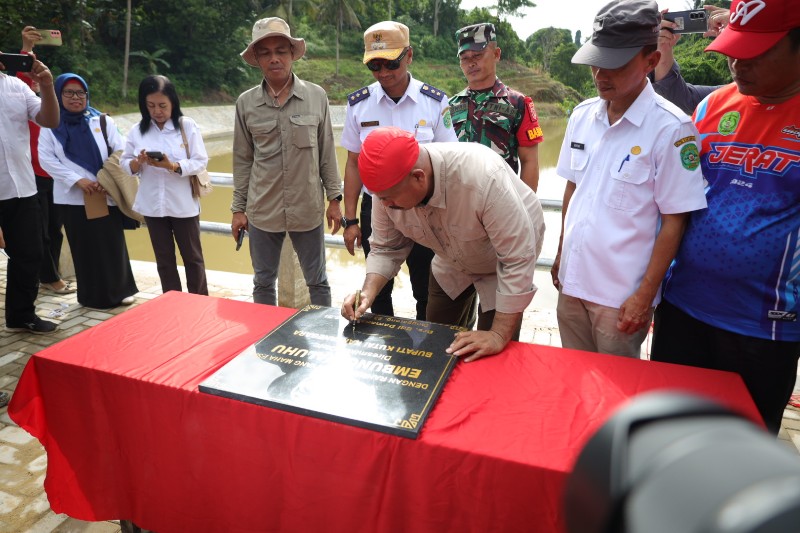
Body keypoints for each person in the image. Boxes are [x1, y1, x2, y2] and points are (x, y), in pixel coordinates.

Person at [651, 0, 800, 435]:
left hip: (765, 329)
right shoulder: (712, 106)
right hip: (683, 311)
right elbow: (677, 196)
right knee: (669, 435)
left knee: (743, 453)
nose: (737, 63)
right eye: (734, 49)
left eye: (755, 53)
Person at [550, 0, 707, 358]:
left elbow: (674, 221)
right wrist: (561, 254)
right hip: (571, 286)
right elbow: (573, 188)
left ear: (651, 61)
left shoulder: (672, 128)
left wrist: (642, 296)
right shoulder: (582, 116)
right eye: (596, 63)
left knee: (615, 395)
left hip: (619, 299)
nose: (601, 76)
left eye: (615, 65)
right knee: (574, 384)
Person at [341, 127, 545, 363]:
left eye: (388, 198)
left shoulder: (482, 176)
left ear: (419, 177)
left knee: (491, 355)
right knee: (436, 341)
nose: (385, 206)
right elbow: (386, 248)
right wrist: (367, 293)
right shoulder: (386, 190)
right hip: (450, 259)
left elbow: (516, 258)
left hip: (500, 264)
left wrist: (498, 335)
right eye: (380, 198)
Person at [340, 21, 456, 320]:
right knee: (378, 288)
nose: (383, 73)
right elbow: (353, 164)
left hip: (425, 209)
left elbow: (449, 160)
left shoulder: (434, 102)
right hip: (376, 207)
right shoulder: (358, 105)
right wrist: (350, 219)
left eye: (391, 63)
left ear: (409, 56)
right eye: (374, 66)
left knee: (425, 288)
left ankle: (425, 354)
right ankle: (385, 352)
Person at [232, 17, 341, 306]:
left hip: (307, 207)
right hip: (262, 208)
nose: (274, 58)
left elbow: (327, 151)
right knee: (263, 282)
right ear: (256, 58)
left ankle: (321, 340)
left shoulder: (316, 97)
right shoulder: (246, 103)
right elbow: (243, 160)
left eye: (281, 50)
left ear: (292, 54)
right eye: (265, 53)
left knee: (317, 280)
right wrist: (238, 209)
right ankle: (264, 342)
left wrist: (335, 198)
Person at [38, 73, 139, 310]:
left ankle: (121, 289)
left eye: (80, 93)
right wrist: (77, 180)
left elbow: (121, 150)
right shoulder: (51, 126)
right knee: (84, 246)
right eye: (69, 93)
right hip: (73, 197)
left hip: (105, 193)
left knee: (111, 242)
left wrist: (105, 178)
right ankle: (91, 296)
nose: (76, 98)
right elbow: (46, 160)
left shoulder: (101, 121)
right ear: (58, 95)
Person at [121, 75, 209, 295]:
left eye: (162, 105)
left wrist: (173, 165)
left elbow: (200, 161)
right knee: (164, 260)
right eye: (151, 106)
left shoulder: (186, 126)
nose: (157, 111)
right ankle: (172, 305)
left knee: (193, 258)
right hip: (153, 206)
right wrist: (137, 162)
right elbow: (124, 163)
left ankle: (199, 303)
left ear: (173, 103)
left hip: (183, 204)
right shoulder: (137, 130)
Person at [0, 50, 59, 334]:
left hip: (22, 189)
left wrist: (47, 86)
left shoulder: (16, 86)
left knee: (30, 254)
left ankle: (21, 315)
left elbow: (49, 120)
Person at [449, 22, 544, 191]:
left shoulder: (518, 104)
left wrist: (525, 209)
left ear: (496, 54)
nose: (471, 63)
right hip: (459, 206)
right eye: (465, 58)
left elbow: (530, 162)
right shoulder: (450, 106)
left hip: (501, 204)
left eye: (477, 55)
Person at [18, 26, 74, 294]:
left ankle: (49, 275)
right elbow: (21, 77)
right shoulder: (23, 104)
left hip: (56, 176)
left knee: (55, 228)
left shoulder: (53, 106)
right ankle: (51, 278)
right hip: (33, 174)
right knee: (40, 232)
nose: (37, 82)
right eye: (34, 78)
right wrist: (27, 50)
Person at [652, 6, 729, 114]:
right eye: (731, 51)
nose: (737, 63)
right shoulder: (732, 94)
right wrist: (663, 48)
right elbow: (679, 99)